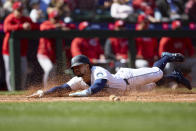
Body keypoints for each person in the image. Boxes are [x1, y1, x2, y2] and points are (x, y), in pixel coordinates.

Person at [28, 52, 192, 98]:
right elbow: (63, 88)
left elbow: (98, 86)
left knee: (157, 72)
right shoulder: (78, 80)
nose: (76, 69)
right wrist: (44, 93)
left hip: (128, 78)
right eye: (74, 68)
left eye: (79, 66)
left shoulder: (96, 70)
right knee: (155, 84)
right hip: (128, 91)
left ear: (87, 65)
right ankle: (175, 76)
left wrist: (78, 95)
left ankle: (165, 57)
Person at [2, 1, 39, 91]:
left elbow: (36, 27)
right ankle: (11, 90)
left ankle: (21, 90)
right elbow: (6, 28)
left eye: (21, 10)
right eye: (18, 10)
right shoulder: (10, 18)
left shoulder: (26, 19)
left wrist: (30, 26)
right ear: (14, 10)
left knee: (23, 71)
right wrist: (21, 26)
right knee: (10, 72)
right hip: (8, 50)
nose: (20, 12)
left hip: (22, 50)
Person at [37, 9, 68, 88]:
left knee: (53, 73)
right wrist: (55, 26)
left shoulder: (60, 24)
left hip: (53, 55)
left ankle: (51, 89)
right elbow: (42, 28)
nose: (56, 20)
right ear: (50, 18)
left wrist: (63, 27)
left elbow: (70, 27)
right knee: (49, 68)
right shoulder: (46, 23)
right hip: (43, 53)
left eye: (58, 18)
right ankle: (46, 88)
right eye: (55, 18)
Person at [159, 20, 196, 86]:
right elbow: (161, 54)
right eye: (176, 29)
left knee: (195, 61)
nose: (178, 30)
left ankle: (190, 81)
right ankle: (172, 84)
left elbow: (191, 52)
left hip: (182, 60)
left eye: (179, 29)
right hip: (171, 61)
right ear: (172, 29)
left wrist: (187, 57)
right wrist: (172, 57)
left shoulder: (184, 37)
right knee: (167, 65)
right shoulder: (167, 38)